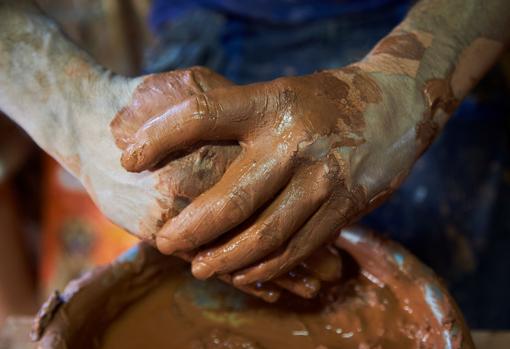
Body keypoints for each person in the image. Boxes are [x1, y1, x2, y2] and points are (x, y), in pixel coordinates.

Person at [0, 0, 509, 327]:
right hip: (216, 13)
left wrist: (406, 85)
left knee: (466, 267)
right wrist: (73, 110)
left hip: (435, 16)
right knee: (180, 191)